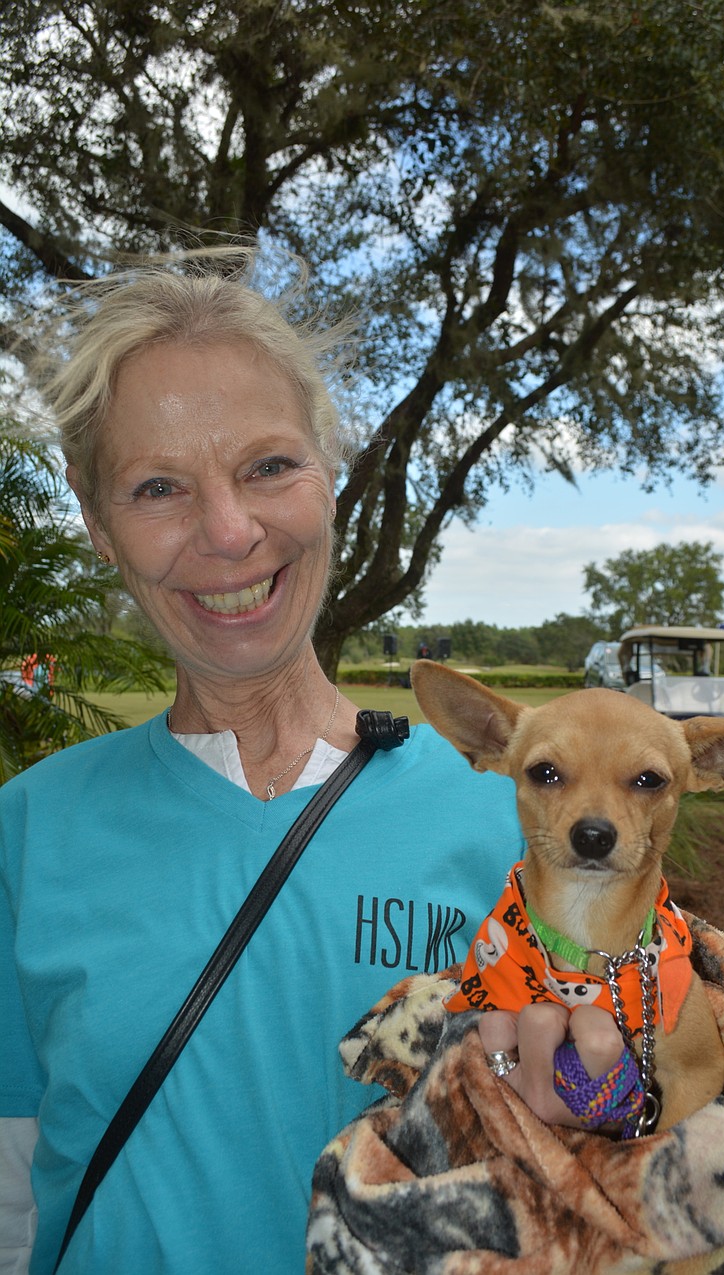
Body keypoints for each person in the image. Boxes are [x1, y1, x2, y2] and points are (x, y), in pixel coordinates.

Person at [0, 251, 623, 1274]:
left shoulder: (512, 820)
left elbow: (610, 1151)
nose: (231, 532)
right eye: (158, 487)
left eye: (267, 467)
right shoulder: (30, 830)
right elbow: (15, 1196)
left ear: (328, 470)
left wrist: (597, 1095)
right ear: (96, 522)